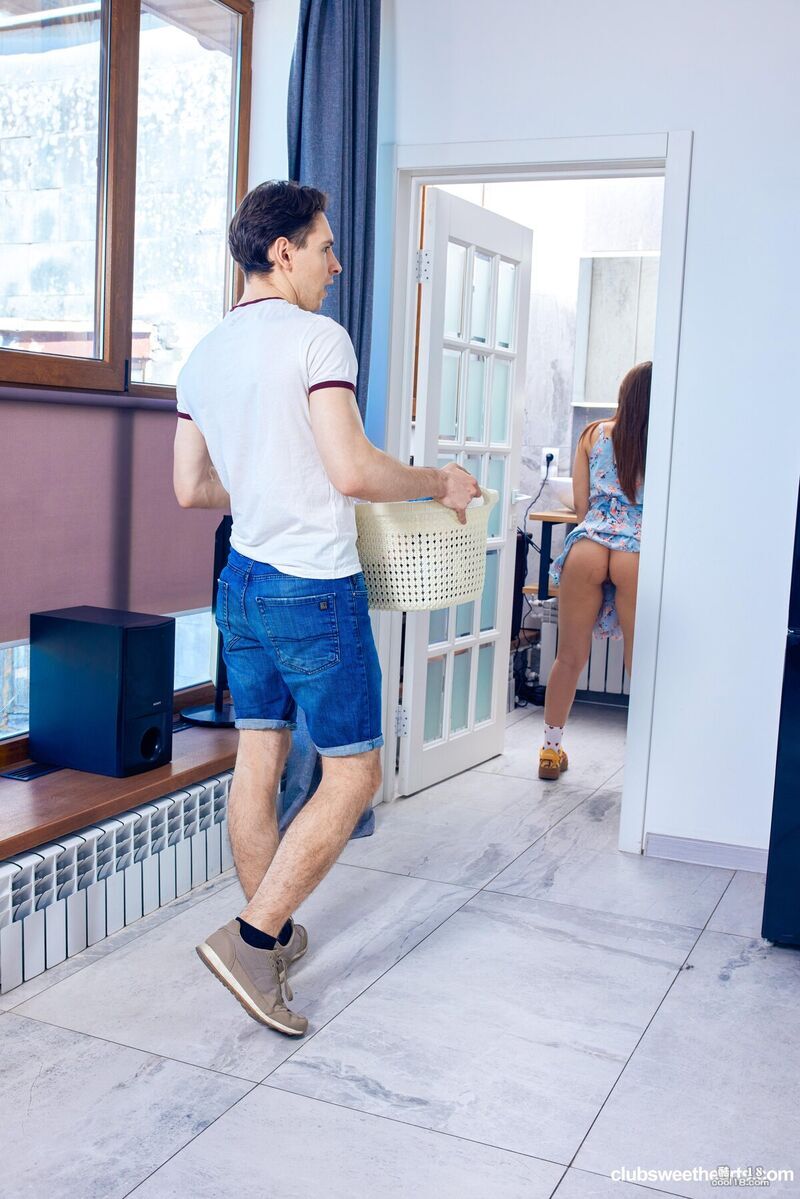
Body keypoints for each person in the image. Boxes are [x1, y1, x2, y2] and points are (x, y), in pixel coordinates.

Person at [172, 180, 480, 1036]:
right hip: (311, 586)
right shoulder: (317, 338)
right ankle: (252, 941)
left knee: (258, 755)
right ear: (283, 252)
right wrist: (439, 481)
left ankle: (268, 937)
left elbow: (191, 486)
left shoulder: (204, 355)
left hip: (240, 582)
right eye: (325, 246)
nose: (335, 265)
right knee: (353, 773)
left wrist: (267, 483)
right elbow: (354, 471)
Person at [538, 361, 652, 781]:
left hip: (589, 543)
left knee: (569, 656)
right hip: (635, 549)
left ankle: (550, 752)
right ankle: (645, 761)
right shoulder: (664, 441)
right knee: (639, 660)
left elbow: (582, 506)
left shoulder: (592, 434)